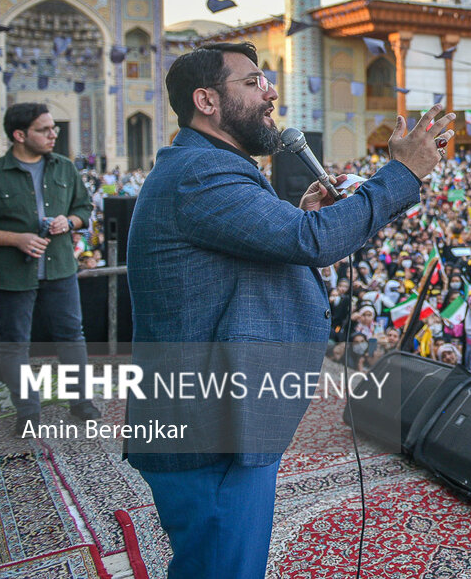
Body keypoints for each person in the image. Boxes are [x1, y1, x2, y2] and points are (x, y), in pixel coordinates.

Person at [125, 42, 452, 579]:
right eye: (253, 82)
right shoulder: (201, 172)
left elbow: (262, 245)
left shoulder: (206, 165)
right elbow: (314, 242)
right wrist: (402, 174)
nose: (271, 91)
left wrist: (300, 215)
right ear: (206, 100)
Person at [0, 102, 97, 436]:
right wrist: (14, 239)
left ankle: (81, 401)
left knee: (72, 336)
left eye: (55, 128)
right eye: (44, 129)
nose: (53, 134)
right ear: (20, 135)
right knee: (15, 343)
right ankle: (28, 411)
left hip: (60, 268)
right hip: (12, 274)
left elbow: (84, 208)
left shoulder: (64, 168)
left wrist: (70, 220)